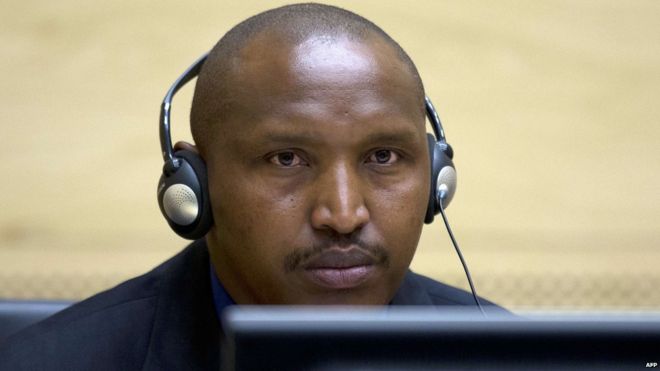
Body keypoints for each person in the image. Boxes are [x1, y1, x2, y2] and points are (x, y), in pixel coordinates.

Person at [0, 3, 504, 369]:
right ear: (194, 188)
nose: (344, 214)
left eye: (383, 157)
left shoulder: (514, 359)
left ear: (437, 177)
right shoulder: (47, 363)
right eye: (286, 159)